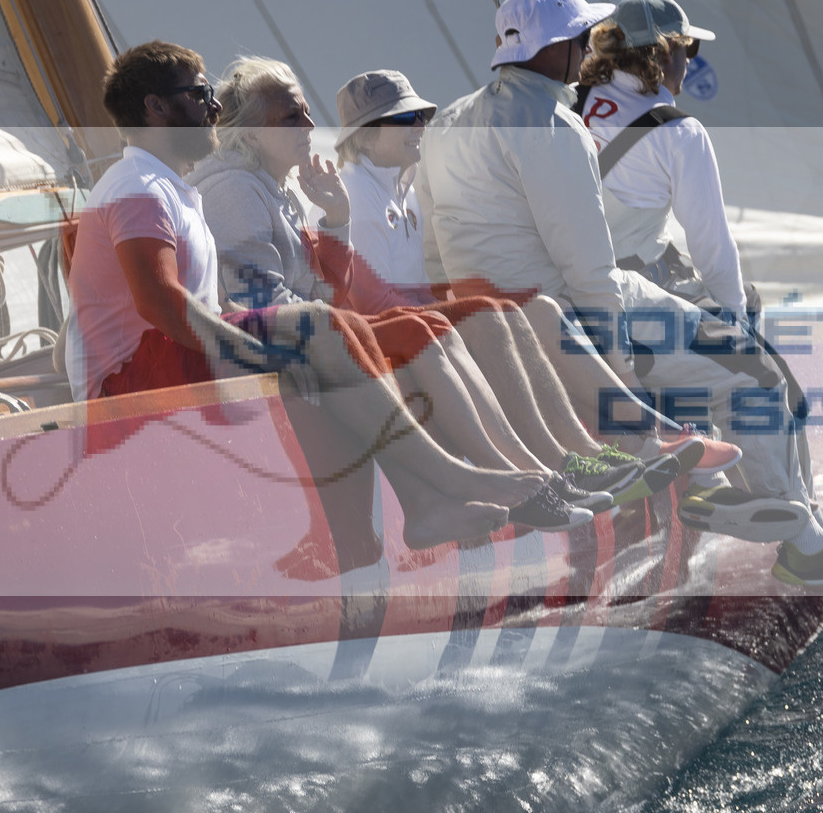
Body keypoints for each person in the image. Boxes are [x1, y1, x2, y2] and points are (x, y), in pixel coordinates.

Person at [419, 0, 823, 589]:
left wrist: (467, 326)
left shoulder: (451, 121)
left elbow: (435, 253)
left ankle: (707, 481)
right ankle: (804, 544)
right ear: (565, 43)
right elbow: (593, 271)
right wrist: (613, 377)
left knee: (696, 353)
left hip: (488, 323)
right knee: (756, 371)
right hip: (570, 314)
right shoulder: (558, 127)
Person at [64, 40, 548, 556]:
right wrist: (260, 354)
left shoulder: (171, 187)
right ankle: (451, 482)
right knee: (324, 328)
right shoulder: (140, 186)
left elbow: (279, 299)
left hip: (167, 359)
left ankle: (432, 501)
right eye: (201, 94)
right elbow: (160, 303)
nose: (214, 108)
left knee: (338, 328)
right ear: (156, 108)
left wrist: (331, 248)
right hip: (128, 384)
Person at [189, 55, 659, 530]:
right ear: (249, 134)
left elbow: (327, 294)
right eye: (291, 116)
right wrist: (343, 231)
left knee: (501, 311)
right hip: (290, 350)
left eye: (306, 111)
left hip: (326, 329)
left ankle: (560, 459)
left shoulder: (277, 187)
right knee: (447, 321)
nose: (310, 125)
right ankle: (530, 472)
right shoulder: (235, 190)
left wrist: (335, 222)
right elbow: (270, 304)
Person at [336, 67, 742, 483]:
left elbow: (428, 270)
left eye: (421, 116)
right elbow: (369, 302)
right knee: (531, 314)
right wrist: (466, 309)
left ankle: (632, 442)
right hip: (398, 339)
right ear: (364, 136)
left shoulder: (402, 186)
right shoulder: (355, 192)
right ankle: (644, 440)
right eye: (405, 119)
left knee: (541, 310)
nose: (420, 126)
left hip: (422, 323)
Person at [574, 0, 744, 319]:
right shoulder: (681, 133)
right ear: (666, 52)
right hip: (629, 297)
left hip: (559, 278)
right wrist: (738, 326)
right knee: (757, 363)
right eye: (689, 47)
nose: (691, 59)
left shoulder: (567, 97)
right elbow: (713, 249)